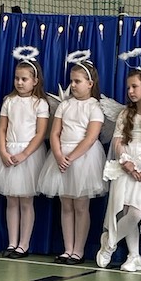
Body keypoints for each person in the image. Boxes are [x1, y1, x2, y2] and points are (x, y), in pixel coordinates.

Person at [96, 69, 141, 272]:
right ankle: (134, 256)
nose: (130, 91)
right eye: (128, 87)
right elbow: (118, 141)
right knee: (127, 210)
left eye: (135, 86)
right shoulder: (125, 114)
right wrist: (126, 162)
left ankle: (110, 242)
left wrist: (139, 163)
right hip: (126, 162)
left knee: (137, 212)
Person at [37, 59, 107, 263]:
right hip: (61, 156)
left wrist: (71, 158)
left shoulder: (95, 107)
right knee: (66, 205)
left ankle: (78, 250)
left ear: (90, 84)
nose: (73, 85)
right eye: (71, 81)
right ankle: (68, 249)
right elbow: (55, 133)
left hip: (83, 158)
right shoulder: (65, 105)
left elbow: (91, 137)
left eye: (77, 81)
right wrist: (59, 155)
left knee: (81, 206)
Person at [0, 59, 49, 257]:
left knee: (26, 202)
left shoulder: (40, 103)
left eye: (24, 79)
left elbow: (40, 133)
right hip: (9, 151)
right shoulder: (9, 101)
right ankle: (12, 243)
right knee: (11, 201)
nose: (19, 82)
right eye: (17, 78)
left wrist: (24, 154)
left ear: (35, 81)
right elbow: (2, 128)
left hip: (29, 155)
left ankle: (23, 244)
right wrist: (3, 151)